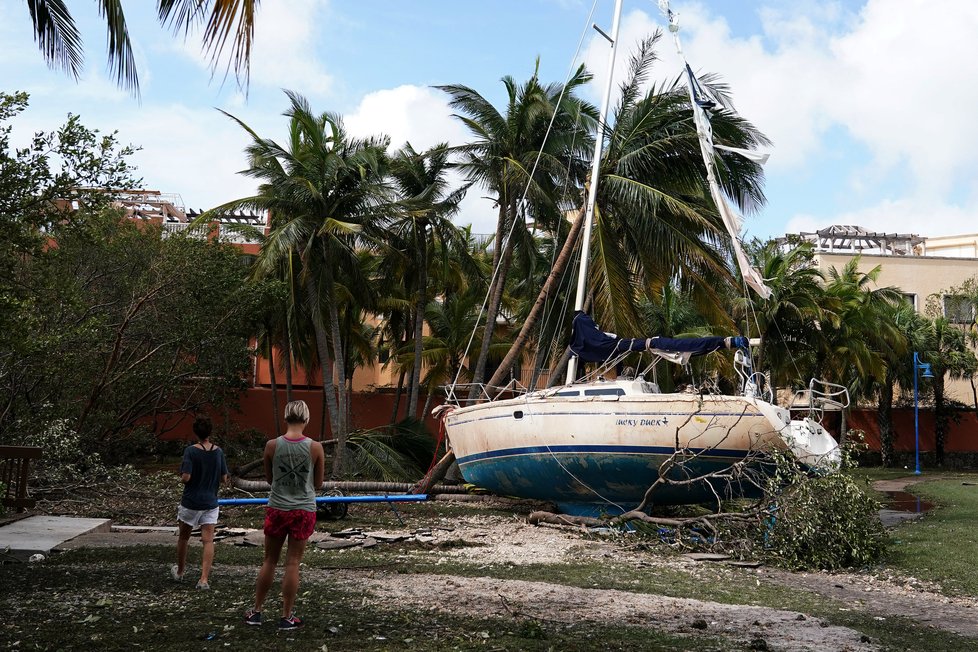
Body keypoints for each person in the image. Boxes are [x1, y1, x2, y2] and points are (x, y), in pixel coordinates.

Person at [244, 400, 324, 630]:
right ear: (306, 419)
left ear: (286, 417)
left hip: (277, 507)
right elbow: (318, 483)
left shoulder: (271, 445)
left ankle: (256, 612)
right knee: (293, 563)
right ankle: (286, 616)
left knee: (269, 559)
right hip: (303, 510)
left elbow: (270, 480)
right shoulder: (315, 447)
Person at [172, 415, 229, 589]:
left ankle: (180, 571)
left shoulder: (190, 451)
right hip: (210, 502)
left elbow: (186, 477)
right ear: (210, 432)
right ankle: (204, 579)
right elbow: (224, 478)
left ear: (195, 432)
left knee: (183, 537)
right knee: (208, 540)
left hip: (191, 501)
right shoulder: (218, 451)